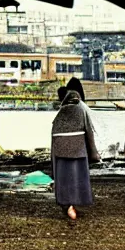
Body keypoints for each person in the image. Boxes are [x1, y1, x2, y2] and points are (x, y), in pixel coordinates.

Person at [51, 90, 100, 220]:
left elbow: (53, 135)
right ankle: (74, 202)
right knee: (78, 178)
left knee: (64, 179)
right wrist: (93, 153)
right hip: (78, 149)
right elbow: (89, 132)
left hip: (60, 150)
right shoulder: (81, 111)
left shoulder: (60, 113)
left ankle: (67, 204)